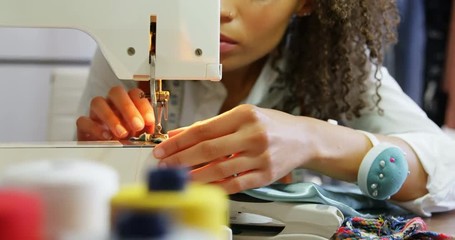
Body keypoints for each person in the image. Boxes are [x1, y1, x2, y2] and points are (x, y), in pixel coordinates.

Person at [76, 0, 455, 217]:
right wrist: (99, 159)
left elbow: (446, 168)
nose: (219, 9)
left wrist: (312, 138)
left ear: (305, 3)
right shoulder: (132, 50)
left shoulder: (330, 62)